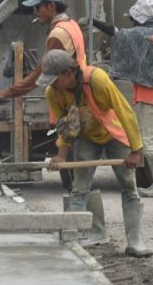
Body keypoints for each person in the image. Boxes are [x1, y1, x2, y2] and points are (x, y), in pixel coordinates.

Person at [40, 49, 152, 257]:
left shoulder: (96, 79)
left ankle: (135, 242)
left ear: (68, 73)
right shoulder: (52, 93)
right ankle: (75, 241)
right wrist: (61, 156)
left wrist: (136, 150)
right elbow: (66, 127)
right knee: (79, 189)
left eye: (54, 79)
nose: (51, 84)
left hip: (113, 133)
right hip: (86, 138)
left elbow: (124, 111)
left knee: (129, 187)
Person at [88, 0, 153, 196]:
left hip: (148, 96)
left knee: (148, 141)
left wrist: (93, 22)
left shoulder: (140, 34)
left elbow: (117, 32)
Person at [0, 0, 85, 101]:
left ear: (52, 6)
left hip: (67, 96)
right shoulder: (71, 24)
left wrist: (7, 92)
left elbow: (42, 72)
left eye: (38, 7)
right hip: (79, 86)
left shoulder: (57, 34)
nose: (34, 11)